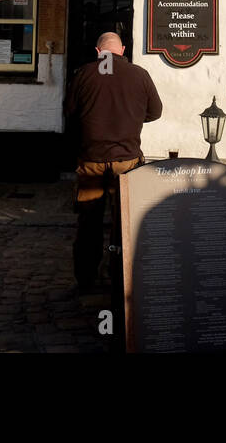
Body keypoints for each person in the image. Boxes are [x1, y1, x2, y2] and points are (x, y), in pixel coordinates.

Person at [63, 31, 162, 293]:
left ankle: (86, 279)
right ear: (123, 50)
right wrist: (131, 118)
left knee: (89, 223)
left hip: (92, 161)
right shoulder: (139, 75)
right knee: (126, 221)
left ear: (98, 52)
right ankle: (121, 276)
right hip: (127, 162)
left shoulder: (83, 74)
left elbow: (70, 115)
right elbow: (155, 111)